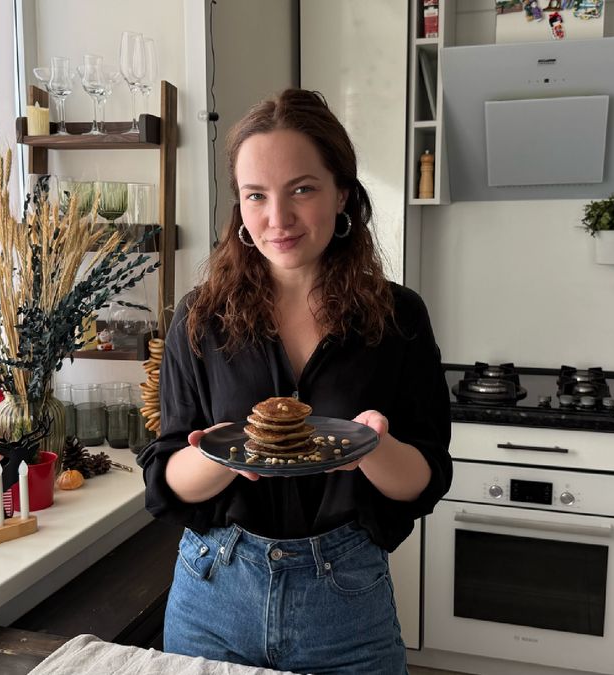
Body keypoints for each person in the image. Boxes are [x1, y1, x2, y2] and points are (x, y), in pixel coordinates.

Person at [136, 89, 452, 675]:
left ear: (342, 193)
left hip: (346, 605)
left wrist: (373, 446)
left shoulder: (398, 318)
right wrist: (223, 455)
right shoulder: (201, 317)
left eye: (302, 189)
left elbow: (426, 479)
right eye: (256, 195)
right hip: (213, 597)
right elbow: (166, 479)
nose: (277, 219)